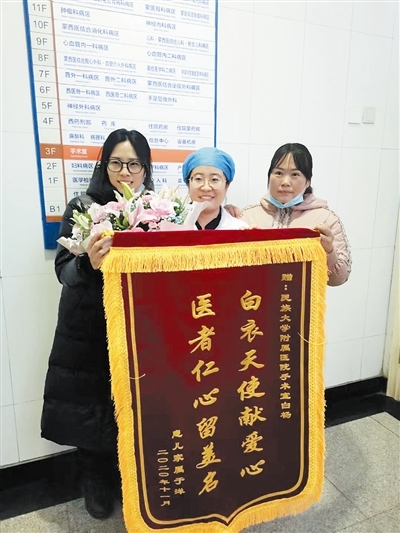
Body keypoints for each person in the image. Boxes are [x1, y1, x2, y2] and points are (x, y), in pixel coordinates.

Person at [41, 129, 154, 519]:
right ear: (104, 165)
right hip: (89, 323)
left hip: (138, 324)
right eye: (117, 162)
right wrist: (88, 262)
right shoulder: (82, 206)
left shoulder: (158, 213)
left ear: (145, 169)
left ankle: (127, 474)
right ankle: (94, 477)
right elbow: (63, 271)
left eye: (134, 164)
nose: (125, 172)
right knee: (90, 401)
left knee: (132, 402)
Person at [229, 143, 351, 286]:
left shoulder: (326, 220)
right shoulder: (246, 216)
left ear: (308, 181)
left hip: (301, 300)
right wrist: (222, 217)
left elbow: (339, 279)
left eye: (295, 174)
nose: (285, 182)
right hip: (254, 298)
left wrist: (329, 250)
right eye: (278, 173)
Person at [182, 146, 248, 229]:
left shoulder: (239, 229)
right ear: (188, 184)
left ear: (226, 186)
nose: (206, 187)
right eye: (198, 179)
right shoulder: (168, 225)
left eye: (214, 179)